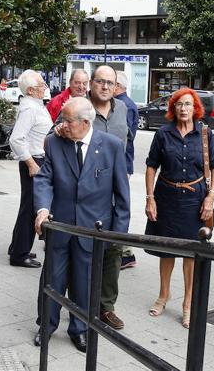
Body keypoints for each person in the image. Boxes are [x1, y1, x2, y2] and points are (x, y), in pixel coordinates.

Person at [33, 96, 130, 353]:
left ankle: (80, 329)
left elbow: (122, 195)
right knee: (52, 279)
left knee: (85, 282)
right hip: (60, 225)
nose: (62, 125)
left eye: (67, 121)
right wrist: (43, 209)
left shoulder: (111, 146)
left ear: (85, 122)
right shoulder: (54, 143)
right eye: (62, 120)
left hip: (93, 228)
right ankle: (46, 326)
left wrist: (117, 236)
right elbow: (44, 179)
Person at [54, 65, 129, 330]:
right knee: (71, 268)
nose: (106, 87)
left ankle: (104, 308)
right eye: (100, 81)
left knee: (111, 256)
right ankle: (63, 317)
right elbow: (56, 139)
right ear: (91, 84)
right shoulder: (77, 108)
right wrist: (60, 131)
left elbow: (126, 147)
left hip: (110, 191)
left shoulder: (124, 110)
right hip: (78, 198)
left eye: (111, 82)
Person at [145, 88, 214, 329]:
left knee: (190, 253)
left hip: (195, 200)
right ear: (173, 108)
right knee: (167, 250)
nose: (183, 108)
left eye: (188, 104)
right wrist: (150, 198)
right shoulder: (163, 133)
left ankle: (188, 304)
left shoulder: (205, 133)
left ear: (195, 108)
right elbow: (151, 167)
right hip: (166, 197)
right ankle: (163, 295)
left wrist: (210, 197)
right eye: (179, 104)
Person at [8, 70, 52, 268]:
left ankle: (18, 247)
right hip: (34, 162)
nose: (45, 87)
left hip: (37, 160)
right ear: (32, 90)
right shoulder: (30, 109)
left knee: (28, 207)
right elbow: (16, 139)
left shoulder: (34, 105)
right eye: (42, 84)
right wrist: (31, 164)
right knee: (31, 209)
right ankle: (19, 254)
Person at [114, 71, 140, 270]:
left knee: (119, 206)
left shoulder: (125, 106)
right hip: (121, 163)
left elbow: (126, 137)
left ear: (118, 86)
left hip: (122, 164)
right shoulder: (122, 103)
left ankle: (125, 253)